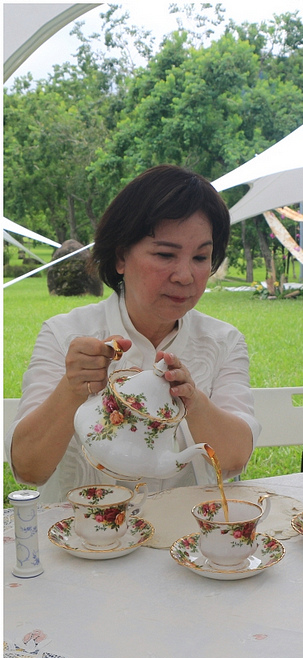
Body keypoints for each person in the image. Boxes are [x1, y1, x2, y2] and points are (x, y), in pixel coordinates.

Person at [6, 165, 261, 504]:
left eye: (201, 256)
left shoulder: (223, 342)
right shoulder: (65, 334)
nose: (186, 275)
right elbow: (28, 470)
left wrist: (193, 400)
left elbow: (233, 459)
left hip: (184, 542)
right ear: (121, 256)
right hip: (81, 546)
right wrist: (71, 389)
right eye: (165, 254)